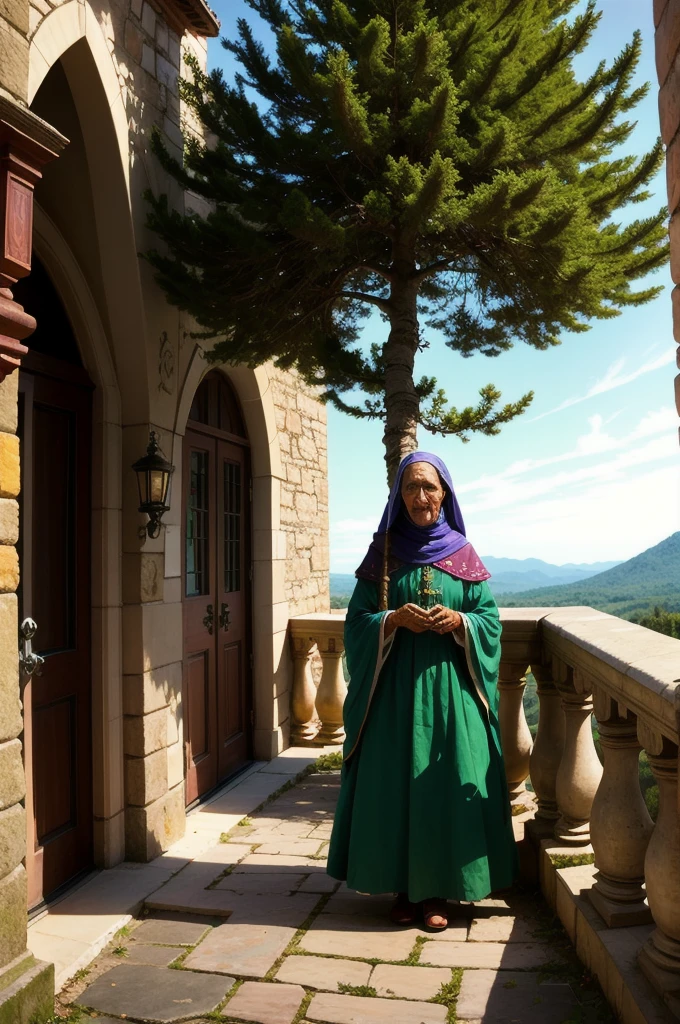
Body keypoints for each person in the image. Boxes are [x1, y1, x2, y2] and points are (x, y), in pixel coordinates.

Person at [326, 451, 518, 931]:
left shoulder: (464, 553)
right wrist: (391, 619)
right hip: (393, 696)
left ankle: (439, 893)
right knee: (396, 786)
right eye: (411, 487)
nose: (420, 496)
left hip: (453, 696)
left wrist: (460, 621)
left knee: (445, 786)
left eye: (429, 487)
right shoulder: (383, 553)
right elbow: (356, 624)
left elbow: (489, 621)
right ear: (398, 496)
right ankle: (404, 892)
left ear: (445, 494)